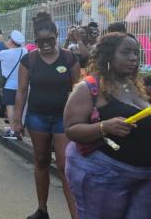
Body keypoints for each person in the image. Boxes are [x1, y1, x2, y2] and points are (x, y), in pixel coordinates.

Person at [64, 32, 151, 219]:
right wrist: (104, 127)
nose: (133, 58)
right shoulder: (88, 87)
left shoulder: (134, 85)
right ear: (109, 55)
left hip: (144, 177)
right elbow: (71, 129)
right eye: (126, 52)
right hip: (103, 176)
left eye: (136, 53)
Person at [12, 12, 81, 219]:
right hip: (37, 118)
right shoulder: (29, 60)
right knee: (41, 160)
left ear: (56, 36)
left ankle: (76, 215)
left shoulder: (69, 58)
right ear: (35, 40)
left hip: (63, 118)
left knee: (64, 166)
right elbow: (22, 90)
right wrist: (17, 120)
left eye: (49, 40)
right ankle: (42, 210)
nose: (45, 45)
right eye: (40, 41)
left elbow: (78, 90)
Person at [0, 29, 29, 140]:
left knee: (10, 107)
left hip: (10, 85)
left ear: (11, 41)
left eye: (8, 39)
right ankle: (18, 127)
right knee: (20, 107)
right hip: (23, 85)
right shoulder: (24, 51)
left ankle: (13, 131)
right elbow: (13, 49)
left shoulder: (5, 53)